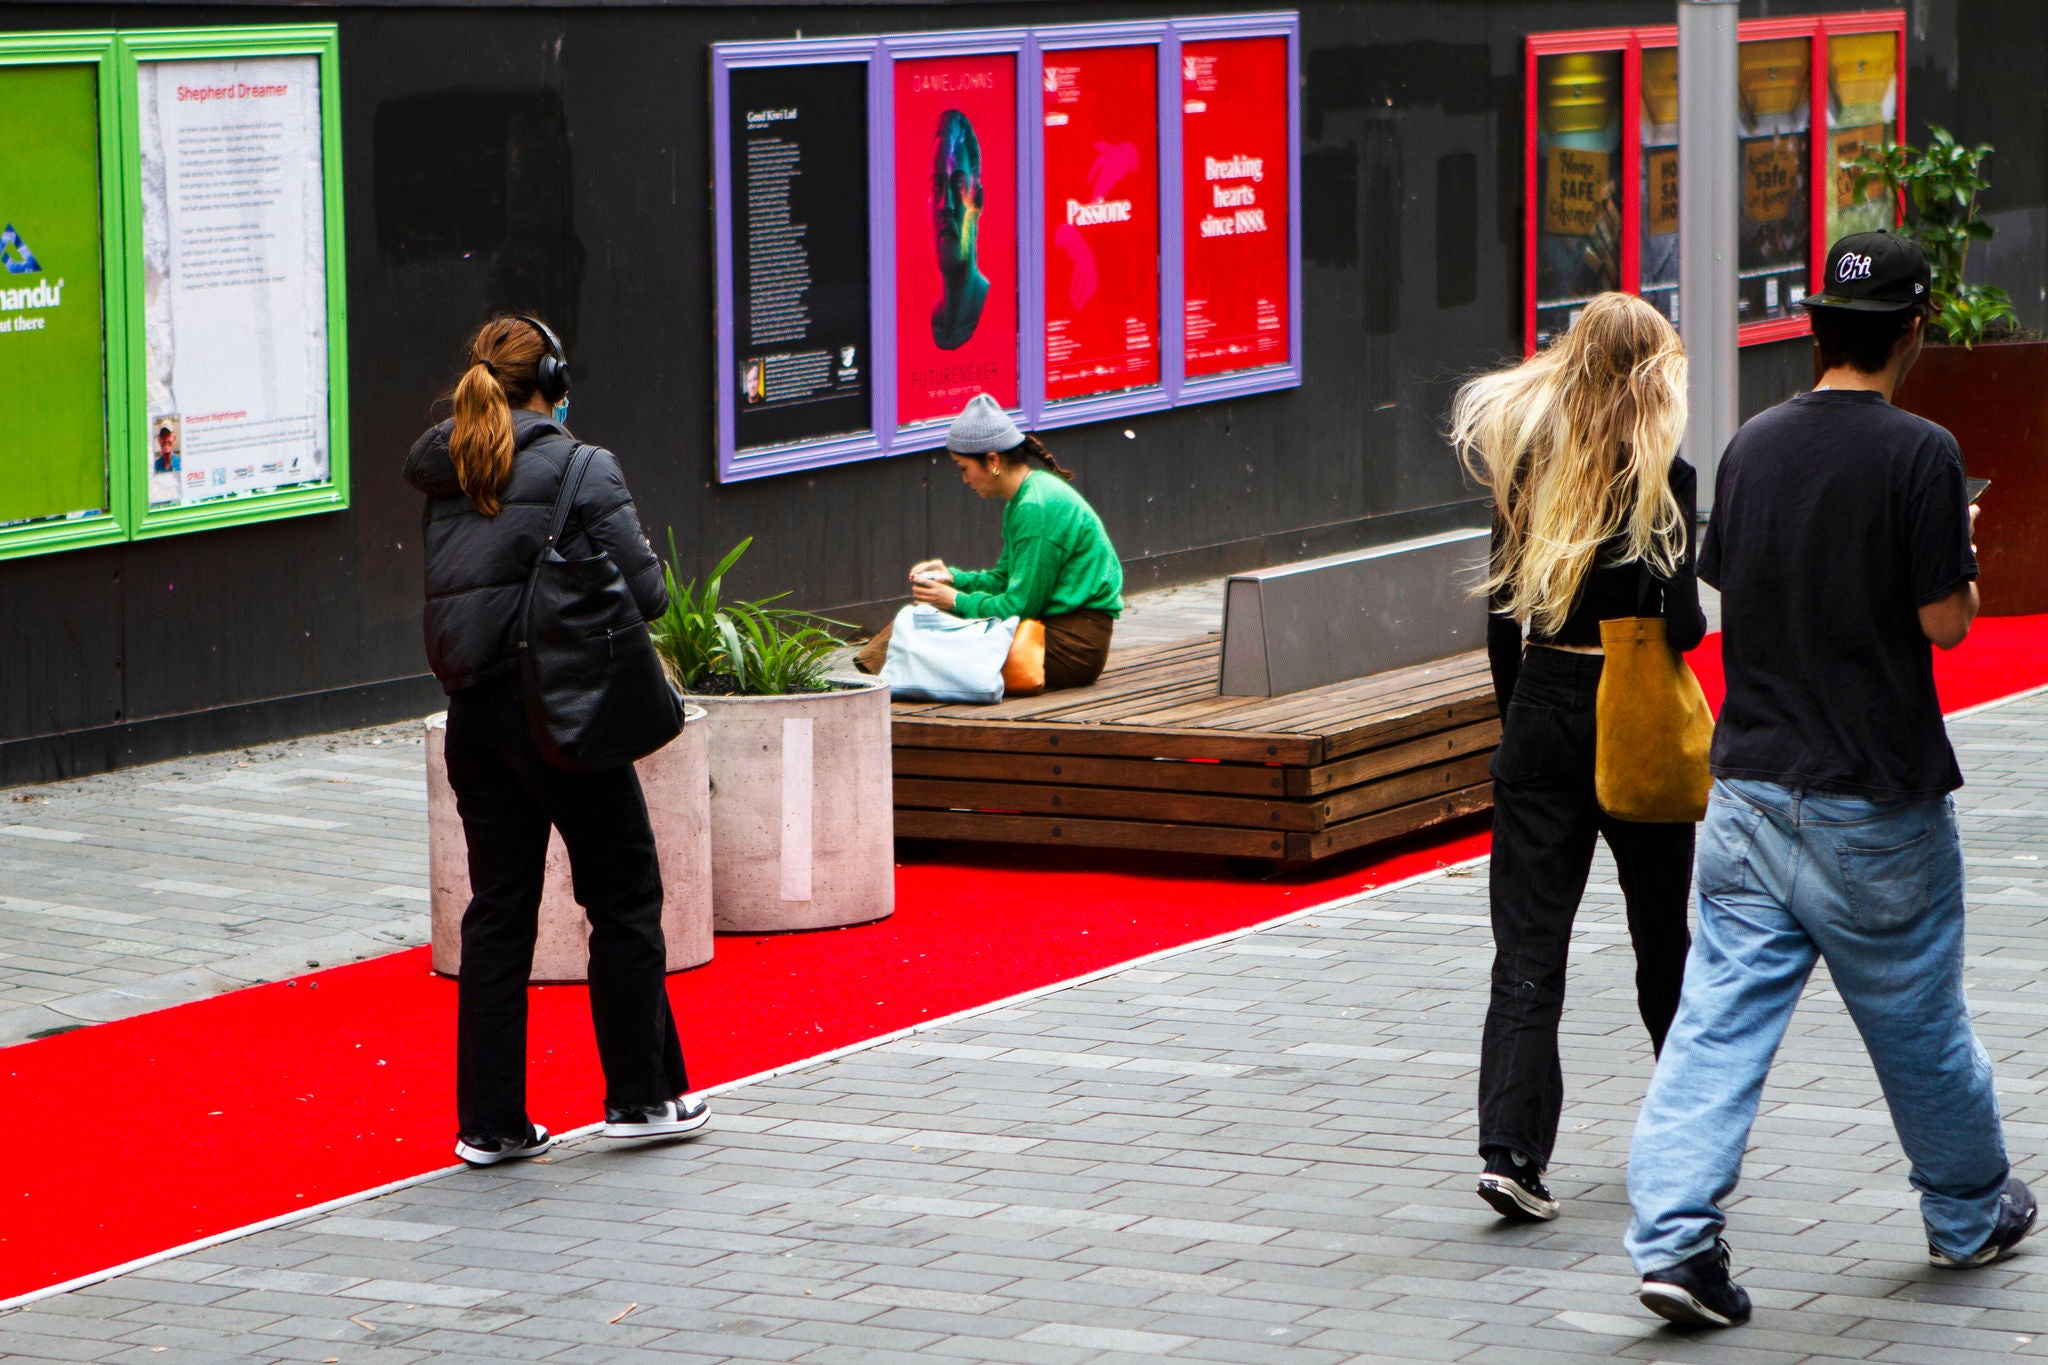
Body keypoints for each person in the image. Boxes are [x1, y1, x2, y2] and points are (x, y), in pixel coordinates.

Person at [1626, 232, 2032, 1329]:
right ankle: (1962, 1214)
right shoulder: (1922, 453)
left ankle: (1672, 1240)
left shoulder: (1749, 446)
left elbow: (1725, 593)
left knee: (1713, 1022)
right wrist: (1960, 546)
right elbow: (1943, 625)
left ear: (1812, 328)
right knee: (1917, 1024)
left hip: (1750, 788)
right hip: (1872, 798)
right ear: (1910, 331)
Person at [403, 314, 708, 1167]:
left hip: (474, 717)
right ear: (556, 378)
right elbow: (648, 592)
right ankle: (641, 1098)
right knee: (622, 896)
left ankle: (491, 1124)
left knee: (498, 913)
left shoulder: (446, 467)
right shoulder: (583, 464)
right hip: (562, 712)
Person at [1451, 292, 1705, 1224]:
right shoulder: (1664, 477)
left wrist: (1519, 722)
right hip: (1629, 705)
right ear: (1652, 376)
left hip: (1544, 698)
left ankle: (1511, 1151)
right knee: (1663, 941)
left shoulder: (1527, 463)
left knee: (1527, 946)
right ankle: (1691, 1139)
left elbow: (1498, 620)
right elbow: (1682, 624)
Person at [854, 393, 1122, 690]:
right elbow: (1005, 580)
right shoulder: (1026, 498)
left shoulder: (1036, 507)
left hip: (1068, 650)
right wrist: (954, 580)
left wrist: (955, 599)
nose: (965, 479)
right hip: (1049, 635)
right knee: (929, 620)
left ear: (993, 461)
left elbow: (1020, 606)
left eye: (963, 468)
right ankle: (872, 683)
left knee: (932, 628)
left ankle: (871, 687)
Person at [930, 110, 990, 350]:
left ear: (978, 201)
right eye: (937, 187)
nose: (946, 205)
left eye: (958, 185)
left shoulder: (992, 305)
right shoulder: (935, 316)